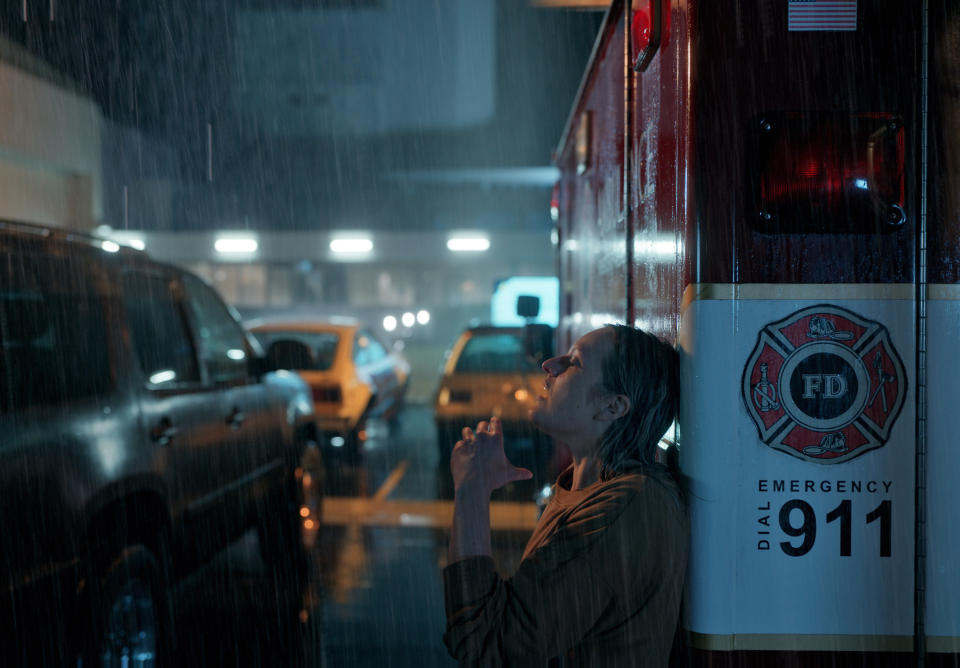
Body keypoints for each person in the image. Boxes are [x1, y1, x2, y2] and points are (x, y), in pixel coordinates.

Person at [442, 325, 688, 667]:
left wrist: (471, 489)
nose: (549, 364)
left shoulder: (624, 509)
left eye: (574, 362)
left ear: (612, 406)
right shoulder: (589, 487)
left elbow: (486, 642)